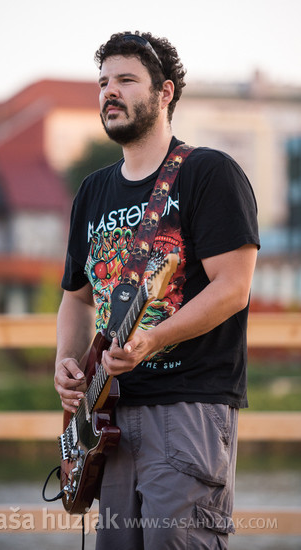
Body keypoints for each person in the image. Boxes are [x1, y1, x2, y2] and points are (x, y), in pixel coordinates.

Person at [54, 31, 260, 550]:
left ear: (164, 93)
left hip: (187, 407)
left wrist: (152, 339)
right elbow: (77, 297)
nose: (109, 92)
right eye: (102, 83)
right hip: (107, 416)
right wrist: (66, 360)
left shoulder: (208, 173)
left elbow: (233, 289)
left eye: (125, 80)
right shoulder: (92, 191)